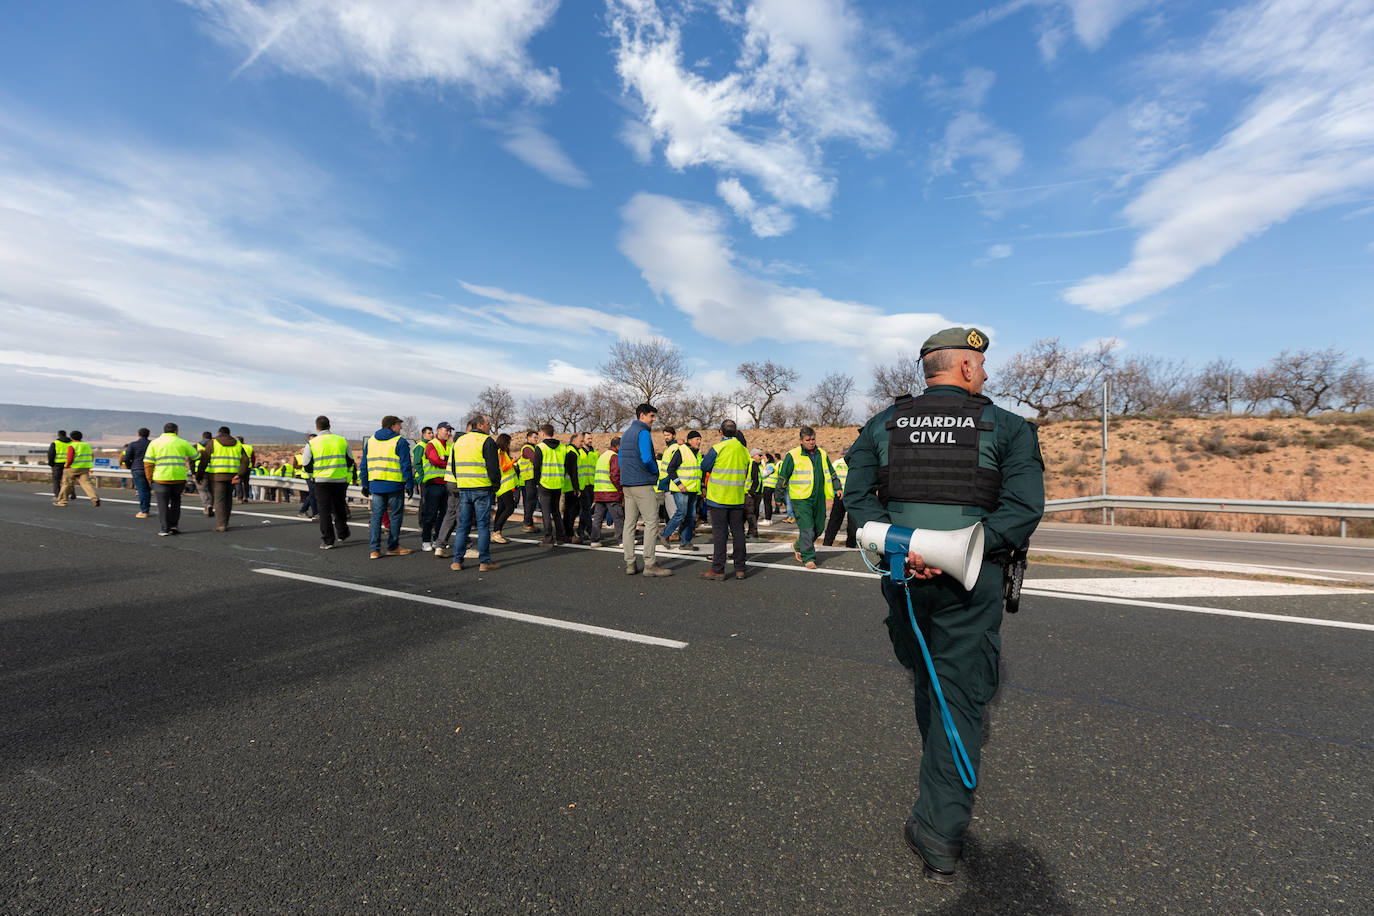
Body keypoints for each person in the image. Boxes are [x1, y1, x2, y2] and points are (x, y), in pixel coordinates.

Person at [844, 326, 1044, 884]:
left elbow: (856, 499)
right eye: (980, 365)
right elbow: (1023, 508)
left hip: (900, 574)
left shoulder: (883, 423)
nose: (984, 374)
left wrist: (903, 548)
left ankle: (938, 803)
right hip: (971, 577)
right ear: (963, 369)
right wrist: (958, 548)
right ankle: (940, 836)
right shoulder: (1006, 426)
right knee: (957, 694)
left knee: (925, 676)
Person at [774, 426, 841, 570]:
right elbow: (783, 477)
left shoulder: (822, 453)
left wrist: (838, 487)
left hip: (818, 497)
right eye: (808, 440)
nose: (811, 442)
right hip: (800, 498)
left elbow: (831, 472)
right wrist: (778, 496)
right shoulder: (793, 455)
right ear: (801, 441)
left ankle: (798, 545)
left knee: (819, 527)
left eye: (813, 439)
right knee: (807, 528)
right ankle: (808, 557)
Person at [619, 403, 673, 577]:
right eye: (651, 416)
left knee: (629, 523)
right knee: (651, 522)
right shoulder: (643, 432)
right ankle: (650, 564)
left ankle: (630, 563)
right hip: (642, 483)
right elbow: (647, 458)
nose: (654, 420)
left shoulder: (626, 433)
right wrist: (655, 471)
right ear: (642, 416)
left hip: (627, 484)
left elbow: (620, 459)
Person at [446, 413, 503, 573]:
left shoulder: (459, 441)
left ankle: (457, 561)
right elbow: (493, 467)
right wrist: (495, 485)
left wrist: (462, 481)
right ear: (480, 425)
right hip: (482, 488)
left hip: (464, 488)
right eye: (487, 424)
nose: (489, 426)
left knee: (463, 525)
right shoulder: (486, 441)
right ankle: (484, 562)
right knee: (483, 525)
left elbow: (454, 467)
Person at [698, 420, 750, 580]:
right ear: (735, 432)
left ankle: (718, 570)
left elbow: (704, 466)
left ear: (721, 432)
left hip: (718, 498)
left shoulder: (718, 448)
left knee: (720, 535)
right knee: (738, 533)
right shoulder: (743, 450)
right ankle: (740, 568)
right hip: (737, 498)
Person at [360, 414, 414, 560]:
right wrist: (410, 484)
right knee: (396, 516)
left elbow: (364, 464)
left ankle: (374, 550)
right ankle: (393, 547)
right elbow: (406, 465)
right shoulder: (399, 441)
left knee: (376, 517)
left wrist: (364, 483)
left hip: (376, 485)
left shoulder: (371, 441)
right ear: (392, 425)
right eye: (399, 425)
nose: (401, 427)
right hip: (394, 485)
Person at [302, 415, 356, 549]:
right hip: (340, 480)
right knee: (339, 506)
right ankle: (343, 532)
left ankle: (328, 540)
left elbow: (306, 464)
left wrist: (312, 476)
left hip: (321, 481)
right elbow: (350, 460)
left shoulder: (312, 443)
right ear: (329, 426)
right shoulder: (342, 440)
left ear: (317, 428)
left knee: (324, 510)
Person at [144, 422, 198, 535]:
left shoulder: (155, 443)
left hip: (160, 478)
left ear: (164, 431)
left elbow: (148, 463)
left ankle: (164, 529)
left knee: (162, 504)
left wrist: (149, 478)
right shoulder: (183, 442)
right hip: (179, 478)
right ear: (176, 431)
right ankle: (174, 526)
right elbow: (196, 456)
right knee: (176, 502)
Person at [194, 426, 249, 531]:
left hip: (217, 476)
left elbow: (204, 459)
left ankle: (221, 524)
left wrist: (199, 476)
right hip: (232, 476)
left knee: (219, 500)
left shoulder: (213, 443)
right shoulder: (238, 444)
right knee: (228, 499)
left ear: (219, 433)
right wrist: (240, 474)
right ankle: (226, 522)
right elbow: (245, 461)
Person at [530, 424, 577, 548]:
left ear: (543, 433)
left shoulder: (540, 447)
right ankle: (560, 537)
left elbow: (536, 467)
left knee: (546, 512)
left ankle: (548, 538)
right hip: (558, 483)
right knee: (556, 511)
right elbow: (567, 466)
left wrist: (536, 482)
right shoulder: (562, 447)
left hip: (545, 483)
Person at [661, 429, 702, 552]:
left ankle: (685, 542)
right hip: (681, 489)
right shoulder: (682, 451)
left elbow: (698, 472)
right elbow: (671, 469)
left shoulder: (697, 454)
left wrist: (702, 488)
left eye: (700, 439)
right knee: (681, 513)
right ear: (690, 441)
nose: (699, 442)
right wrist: (679, 484)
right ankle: (664, 534)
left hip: (693, 490)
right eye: (697, 439)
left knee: (691, 516)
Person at [419, 422, 453, 551]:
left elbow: (453, 460)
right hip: (433, 484)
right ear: (439, 430)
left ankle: (438, 540)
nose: (449, 433)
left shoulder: (450, 446)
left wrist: (445, 459)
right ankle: (425, 540)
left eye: (450, 431)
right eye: (447, 430)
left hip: (447, 484)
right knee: (430, 514)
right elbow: (435, 460)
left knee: (445, 515)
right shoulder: (431, 444)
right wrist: (447, 462)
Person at [823, 435, 859, 549]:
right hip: (852, 496)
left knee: (834, 521)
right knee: (852, 524)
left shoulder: (836, 463)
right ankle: (850, 546)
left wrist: (833, 492)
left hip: (839, 496)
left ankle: (827, 543)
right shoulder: (856, 463)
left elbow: (829, 478)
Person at [590, 435, 624, 547]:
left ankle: (594, 540)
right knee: (618, 517)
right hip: (610, 492)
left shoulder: (603, 456)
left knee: (598, 517)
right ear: (618, 446)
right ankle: (622, 540)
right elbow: (615, 476)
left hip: (599, 492)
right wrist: (620, 491)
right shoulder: (614, 456)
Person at [55, 430, 101, 507]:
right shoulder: (87, 445)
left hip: (72, 468)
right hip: (85, 467)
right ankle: (95, 498)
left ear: (71, 437)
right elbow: (92, 455)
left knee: (67, 484)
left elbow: (70, 458)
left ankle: (62, 501)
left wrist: (66, 466)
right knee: (86, 484)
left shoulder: (72, 445)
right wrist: (88, 464)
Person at [491, 433, 519, 544]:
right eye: (508, 442)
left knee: (502, 509)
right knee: (509, 508)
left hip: (503, 486)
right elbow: (503, 467)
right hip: (505, 486)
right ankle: (496, 532)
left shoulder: (501, 453)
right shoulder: (500, 453)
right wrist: (513, 462)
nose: (509, 444)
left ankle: (496, 532)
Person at [122, 428, 152, 518]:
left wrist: (130, 466)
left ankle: (144, 511)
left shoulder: (133, 444)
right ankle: (147, 508)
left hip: (137, 468)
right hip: (150, 469)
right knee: (147, 489)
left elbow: (126, 458)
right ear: (148, 434)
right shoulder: (152, 444)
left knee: (142, 490)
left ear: (138, 434)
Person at [575, 433, 597, 541]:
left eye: (591, 438)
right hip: (582, 485)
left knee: (586, 509)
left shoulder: (594, 453)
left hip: (591, 485)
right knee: (586, 509)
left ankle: (580, 530)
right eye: (588, 438)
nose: (590, 440)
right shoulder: (578, 452)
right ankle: (590, 530)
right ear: (582, 441)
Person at [519, 430, 540, 532]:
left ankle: (529, 522)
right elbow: (535, 459)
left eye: (537, 437)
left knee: (531, 502)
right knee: (530, 502)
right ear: (528, 438)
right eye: (534, 437)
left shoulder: (532, 447)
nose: (536, 439)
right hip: (528, 479)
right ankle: (527, 523)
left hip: (531, 479)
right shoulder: (527, 448)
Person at [745, 448, 765, 538]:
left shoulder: (758, 465)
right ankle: (753, 532)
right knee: (750, 513)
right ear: (753, 455)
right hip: (751, 493)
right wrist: (750, 492)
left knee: (753, 513)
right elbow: (754, 479)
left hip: (757, 493)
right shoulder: (752, 463)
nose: (761, 457)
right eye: (759, 455)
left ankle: (751, 532)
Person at [47, 430, 72, 500]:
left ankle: (58, 495)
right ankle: (71, 493)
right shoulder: (71, 443)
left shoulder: (55, 443)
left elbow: (51, 454)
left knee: (56, 480)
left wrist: (51, 463)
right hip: (69, 464)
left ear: (58, 435)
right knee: (68, 480)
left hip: (57, 465)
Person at [194, 431, 215, 515]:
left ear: (203, 437)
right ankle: (211, 505)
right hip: (213, 471)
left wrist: (193, 472)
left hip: (201, 470)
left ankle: (207, 505)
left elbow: (192, 459)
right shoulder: (215, 446)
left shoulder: (196, 446)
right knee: (211, 490)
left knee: (202, 490)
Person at [759, 453, 778, 524]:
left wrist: (762, 465)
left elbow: (763, 474)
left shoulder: (770, 466)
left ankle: (767, 519)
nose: (763, 460)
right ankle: (768, 519)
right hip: (769, 486)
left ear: (768, 459)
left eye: (764, 458)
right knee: (768, 503)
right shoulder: (770, 466)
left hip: (768, 486)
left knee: (767, 503)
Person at [236, 437, 254, 503]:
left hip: (239, 467)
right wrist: (252, 466)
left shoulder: (236, 447)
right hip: (248, 467)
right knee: (246, 483)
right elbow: (253, 457)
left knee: (238, 482)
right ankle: (246, 497)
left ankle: (240, 498)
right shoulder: (249, 447)